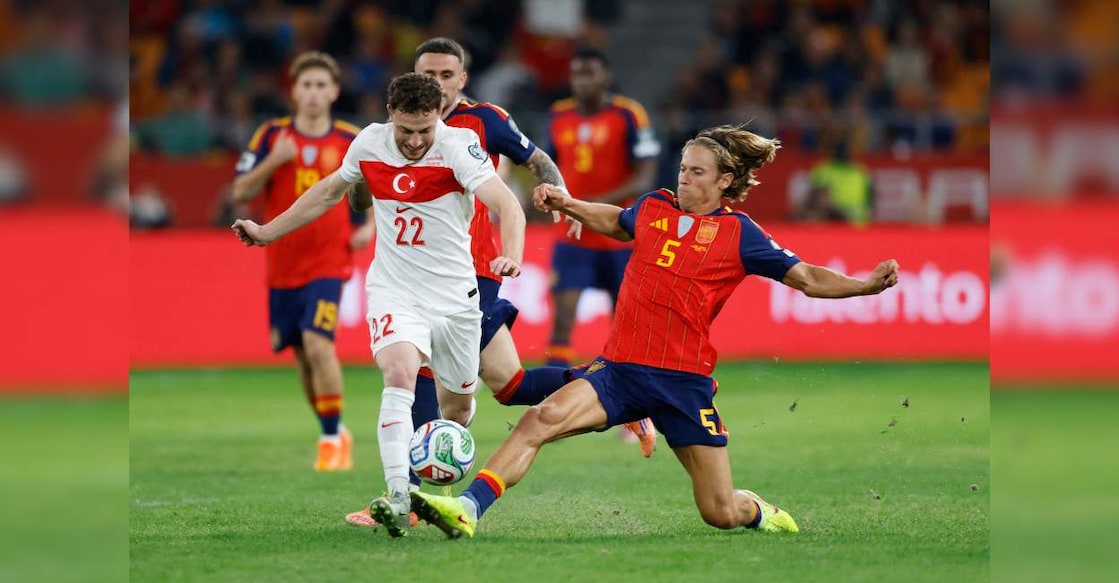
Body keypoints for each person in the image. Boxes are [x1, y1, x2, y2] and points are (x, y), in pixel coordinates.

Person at [408, 124, 900, 539]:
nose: (684, 178)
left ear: (725, 180)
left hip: (681, 382)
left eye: (697, 172)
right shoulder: (655, 206)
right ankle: (468, 509)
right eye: (683, 168)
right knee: (540, 419)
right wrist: (569, 202)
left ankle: (759, 512)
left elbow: (809, 278)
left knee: (719, 511)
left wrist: (864, 286)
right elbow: (619, 222)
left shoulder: (741, 234)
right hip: (619, 369)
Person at [346, 36, 654, 531]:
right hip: (417, 272)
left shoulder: (484, 121)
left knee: (418, 366)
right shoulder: (399, 130)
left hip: (474, 271)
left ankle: (407, 495)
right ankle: (617, 393)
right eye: (430, 74)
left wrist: (565, 200)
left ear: (462, 79)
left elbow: (536, 159)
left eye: (448, 76)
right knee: (510, 386)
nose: (438, 84)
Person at [232, 72, 527, 539]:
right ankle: (398, 497)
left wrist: (512, 254)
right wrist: (268, 231)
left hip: (454, 296)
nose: (414, 141)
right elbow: (328, 192)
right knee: (398, 374)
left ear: (437, 120)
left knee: (458, 408)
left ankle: (437, 475)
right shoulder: (369, 143)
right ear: (390, 115)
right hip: (396, 288)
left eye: (424, 131)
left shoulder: (457, 146)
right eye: (406, 130)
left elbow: (506, 205)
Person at [229, 51, 373, 472]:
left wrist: (369, 227)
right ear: (294, 91)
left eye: (320, 85)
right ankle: (332, 426)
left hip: (331, 260)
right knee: (302, 354)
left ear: (333, 92)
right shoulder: (271, 135)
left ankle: (331, 440)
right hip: (282, 263)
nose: (312, 93)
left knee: (318, 342)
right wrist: (274, 161)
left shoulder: (350, 138)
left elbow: (377, 185)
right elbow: (240, 191)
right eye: (305, 85)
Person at [543, 46, 660, 368]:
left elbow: (646, 174)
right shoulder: (558, 115)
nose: (583, 81)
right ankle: (553, 402)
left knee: (624, 324)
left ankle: (630, 402)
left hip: (618, 233)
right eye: (577, 74)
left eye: (590, 73)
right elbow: (547, 165)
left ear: (605, 77)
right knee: (563, 321)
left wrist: (596, 203)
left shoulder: (628, 114)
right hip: (572, 235)